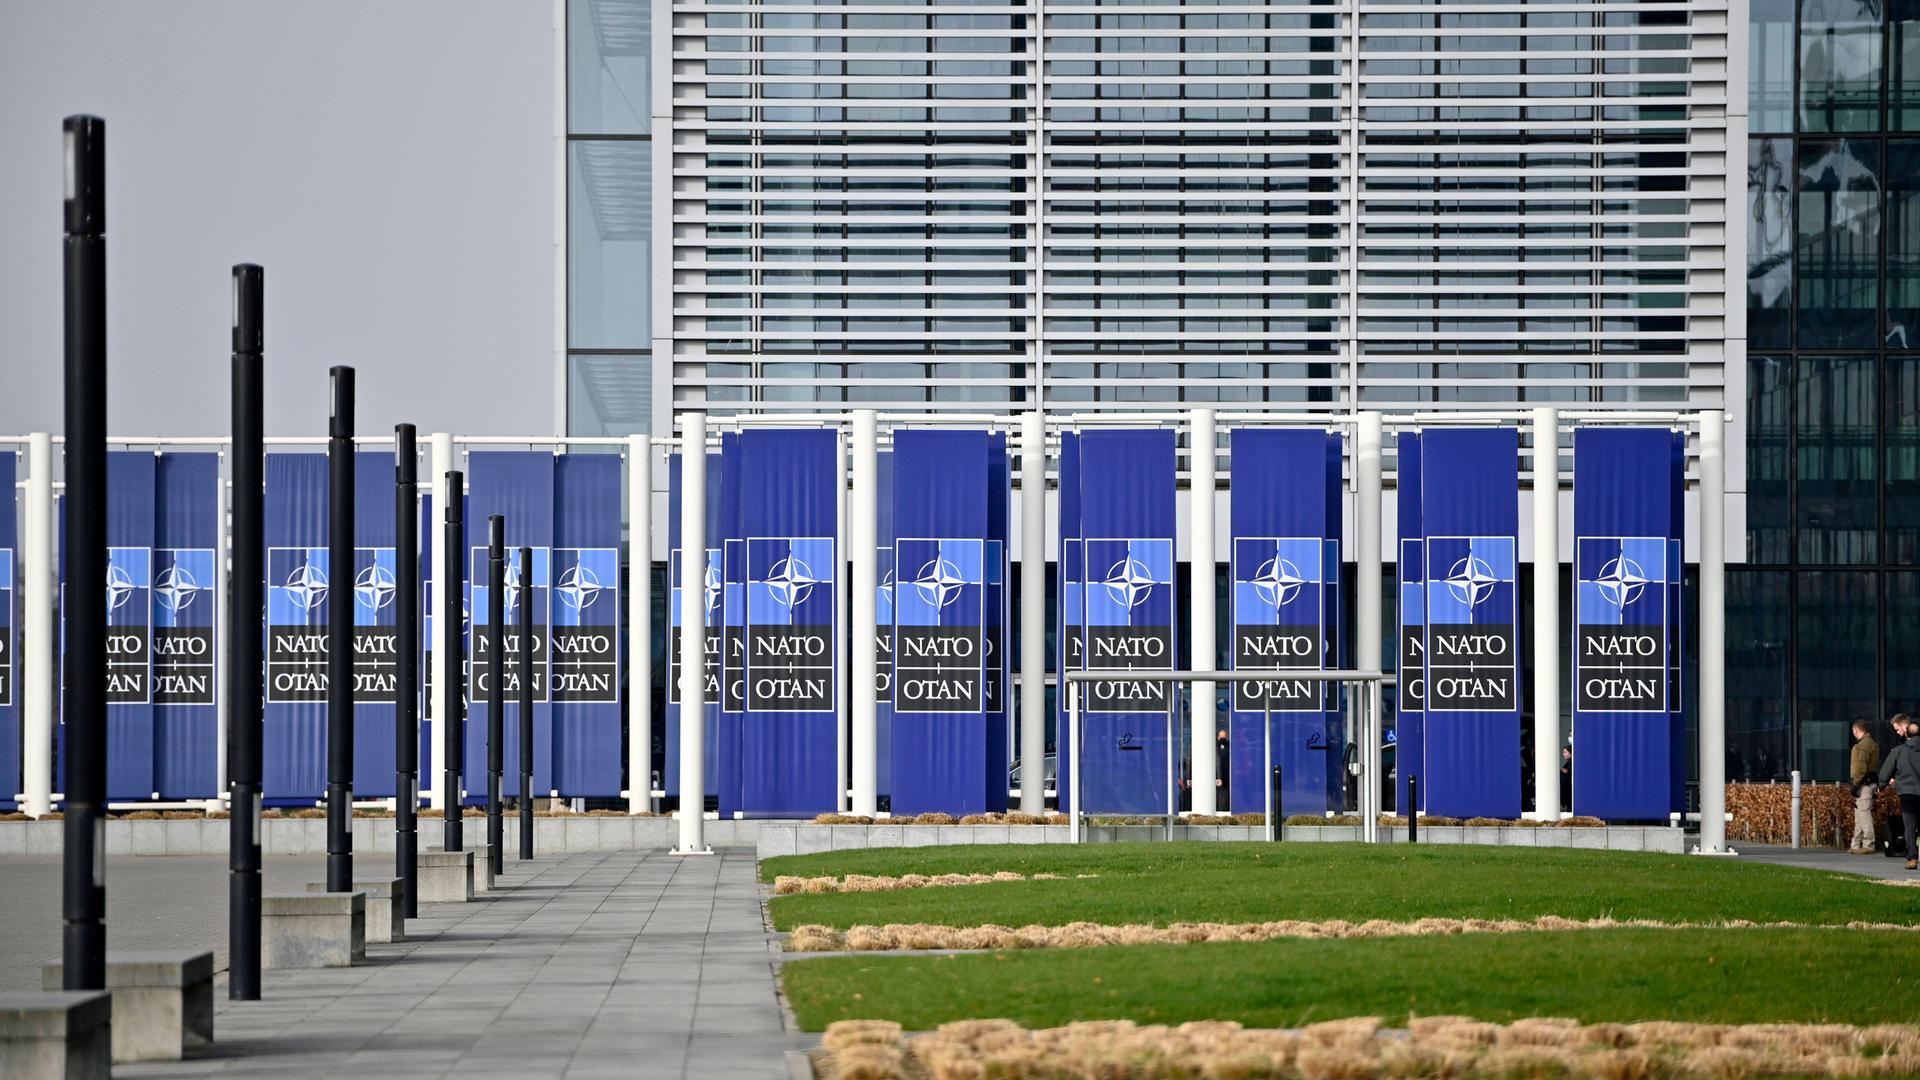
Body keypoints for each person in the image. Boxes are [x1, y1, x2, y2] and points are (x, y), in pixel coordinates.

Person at [1876, 713, 1920, 870]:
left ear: (1908, 731)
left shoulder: (1899, 751)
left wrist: (1881, 786)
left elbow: (1885, 771)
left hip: (1907, 793)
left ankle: (1912, 859)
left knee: (1909, 826)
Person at [1850, 718, 1882, 854]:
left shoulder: (1861, 746)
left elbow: (1859, 768)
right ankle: (1856, 844)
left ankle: (1868, 844)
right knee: (1860, 814)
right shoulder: (1873, 744)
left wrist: (1855, 784)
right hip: (1871, 782)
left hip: (1863, 783)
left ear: (1855, 730)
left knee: (1864, 814)